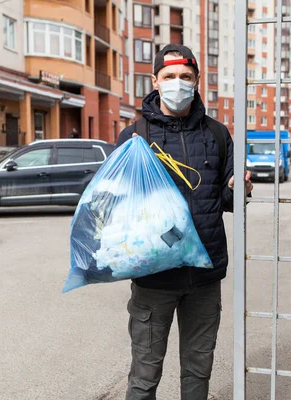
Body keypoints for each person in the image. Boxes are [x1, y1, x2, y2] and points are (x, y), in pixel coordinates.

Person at [116, 44, 253, 400]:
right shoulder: (135, 137)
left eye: (186, 77)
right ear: (155, 82)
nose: (178, 83)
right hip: (153, 279)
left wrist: (241, 189)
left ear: (197, 82)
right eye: (170, 76)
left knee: (198, 372)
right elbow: (115, 208)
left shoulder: (218, 135)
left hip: (205, 278)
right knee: (144, 376)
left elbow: (224, 201)